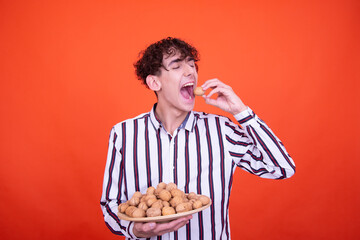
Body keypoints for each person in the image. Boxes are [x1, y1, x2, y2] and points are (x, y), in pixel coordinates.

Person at [100, 37, 295, 240]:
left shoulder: (222, 130)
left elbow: (283, 168)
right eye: (177, 66)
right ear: (154, 82)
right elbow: (110, 204)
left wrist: (241, 111)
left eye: (192, 65)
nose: (190, 72)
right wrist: (134, 230)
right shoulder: (123, 133)